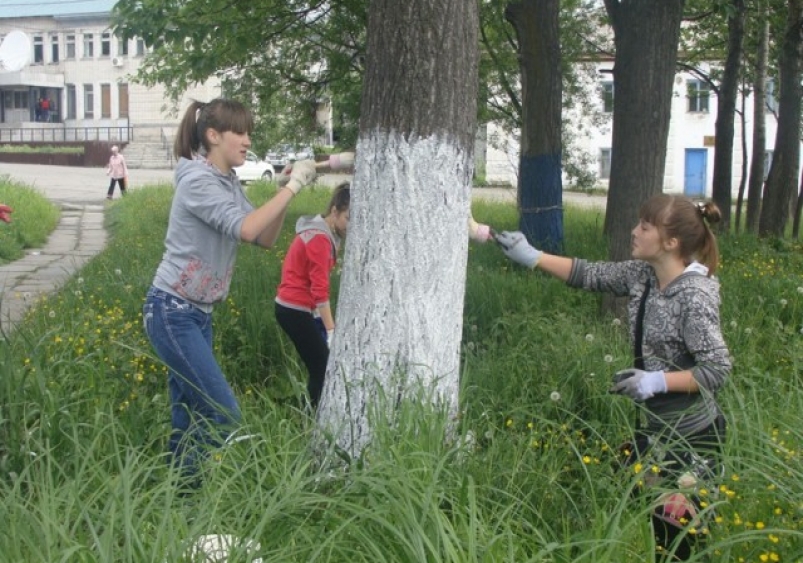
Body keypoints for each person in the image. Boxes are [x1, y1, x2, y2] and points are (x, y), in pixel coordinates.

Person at [496, 194, 731, 561]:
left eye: (645, 226)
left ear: (671, 242)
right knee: (654, 525)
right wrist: (533, 256)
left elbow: (717, 369)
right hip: (656, 433)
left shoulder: (694, 297)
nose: (634, 231)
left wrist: (656, 381)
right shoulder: (644, 276)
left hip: (692, 439)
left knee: (680, 545)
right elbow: (590, 274)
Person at [142, 98, 318, 482]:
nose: (247, 139)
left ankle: (182, 500)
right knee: (223, 414)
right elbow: (247, 229)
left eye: (248, 132)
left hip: (198, 314)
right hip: (172, 310)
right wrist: (293, 187)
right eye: (239, 131)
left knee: (186, 415)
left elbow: (266, 237)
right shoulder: (197, 181)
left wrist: (288, 190)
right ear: (213, 135)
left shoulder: (227, 182)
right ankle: (189, 493)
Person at [275, 182, 350, 410]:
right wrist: (331, 330)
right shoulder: (319, 238)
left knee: (320, 364)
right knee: (322, 366)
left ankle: (309, 412)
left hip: (298, 308)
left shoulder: (323, 233)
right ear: (334, 211)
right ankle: (312, 421)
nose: (351, 226)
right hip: (294, 309)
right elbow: (320, 292)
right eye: (348, 218)